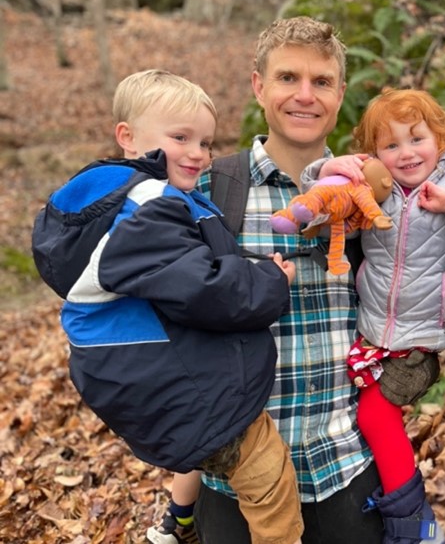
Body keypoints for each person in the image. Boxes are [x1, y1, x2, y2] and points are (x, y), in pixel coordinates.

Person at [31, 69, 303, 544]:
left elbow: (186, 268)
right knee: (270, 480)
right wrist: (270, 281)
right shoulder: (149, 204)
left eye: (206, 143)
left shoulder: (106, 202)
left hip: (132, 376)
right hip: (174, 380)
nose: (198, 154)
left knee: (228, 460)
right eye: (181, 138)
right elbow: (202, 288)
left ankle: (176, 523)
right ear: (127, 137)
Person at [193, 18, 439, 544]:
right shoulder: (212, 190)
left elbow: (427, 272)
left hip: (348, 470)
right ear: (258, 85)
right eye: (288, 78)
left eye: (322, 82)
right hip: (239, 479)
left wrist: (418, 355)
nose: (305, 96)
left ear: (340, 93)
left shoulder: (378, 191)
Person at [304, 88, 445, 542]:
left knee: (374, 416)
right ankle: (383, 503)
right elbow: (319, 198)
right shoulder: (373, 183)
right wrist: (324, 169)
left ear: (439, 137)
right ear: (374, 152)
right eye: (391, 145)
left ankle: (413, 523)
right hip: (372, 330)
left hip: (422, 336)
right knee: (359, 417)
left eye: (416, 139)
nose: (406, 153)